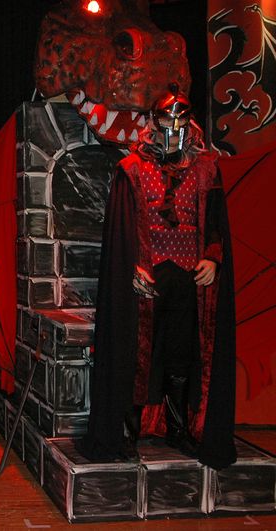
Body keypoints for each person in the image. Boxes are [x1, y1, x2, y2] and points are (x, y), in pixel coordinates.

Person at [77, 84, 237, 470]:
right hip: (147, 277)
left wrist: (213, 258)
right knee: (139, 355)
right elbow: (121, 230)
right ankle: (128, 432)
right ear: (154, 122)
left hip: (188, 277)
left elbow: (215, 225)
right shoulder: (131, 169)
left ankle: (179, 429)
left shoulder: (206, 169)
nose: (174, 129)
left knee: (182, 355)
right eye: (167, 121)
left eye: (180, 122)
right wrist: (132, 265)